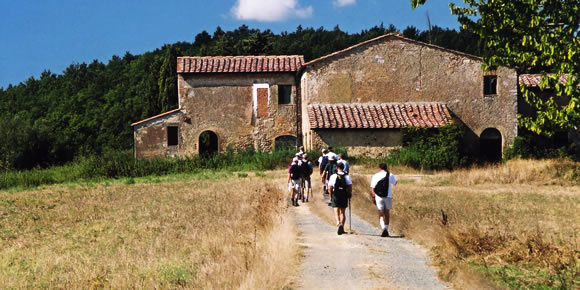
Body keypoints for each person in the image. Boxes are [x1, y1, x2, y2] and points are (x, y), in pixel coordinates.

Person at [369, 163, 397, 237]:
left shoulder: (375, 175)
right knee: (387, 214)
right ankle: (386, 229)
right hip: (388, 196)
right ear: (386, 167)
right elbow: (395, 183)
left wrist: (373, 196)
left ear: (379, 168)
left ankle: (383, 228)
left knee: (380, 213)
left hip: (378, 197)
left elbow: (372, 188)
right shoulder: (390, 175)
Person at [328, 162, 352, 235]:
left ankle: (338, 222)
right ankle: (342, 226)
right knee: (342, 211)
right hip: (344, 195)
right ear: (343, 167)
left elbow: (330, 187)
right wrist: (349, 194)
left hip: (336, 194)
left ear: (337, 168)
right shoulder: (346, 176)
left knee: (336, 209)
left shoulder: (333, 176)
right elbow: (350, 186)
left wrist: (330, 196)